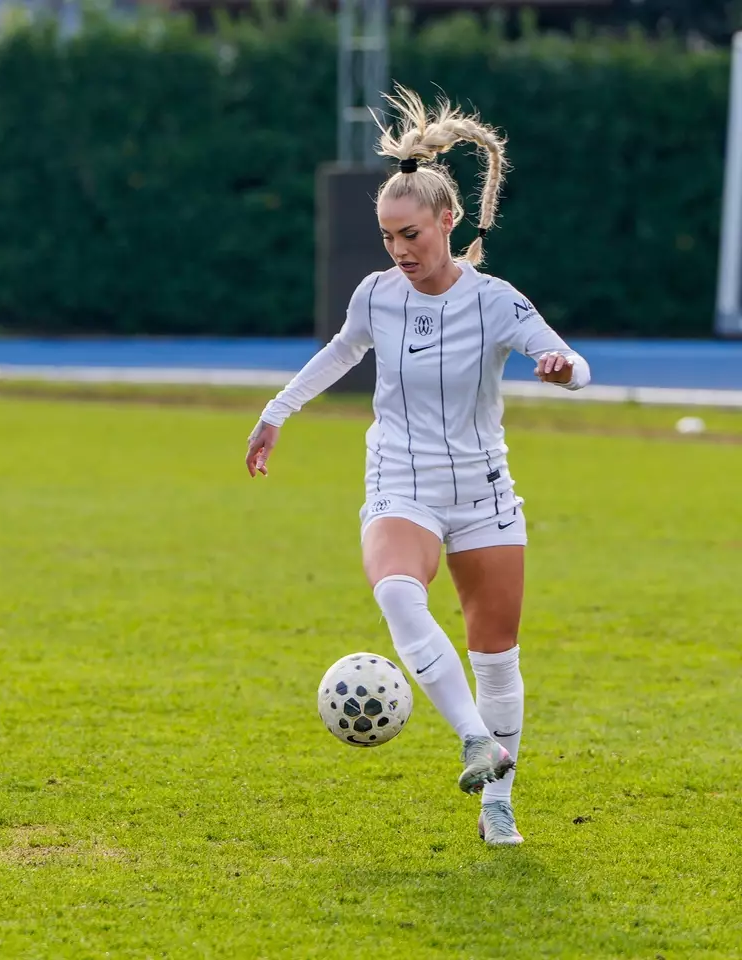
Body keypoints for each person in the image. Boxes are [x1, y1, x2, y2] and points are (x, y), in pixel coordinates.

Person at [244, 86, 592, 847]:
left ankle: (497, 805)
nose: (399, 250)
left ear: (448, 221)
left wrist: (563, 370)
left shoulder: (496, 300)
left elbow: (571, 362)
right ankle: (474, 739)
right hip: (400, 481)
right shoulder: (376, 296)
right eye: (386, 237)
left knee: (496, 656)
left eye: (410, 234)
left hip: (483, 491)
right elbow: (341, 352)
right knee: (398, 593)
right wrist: (276, 413)